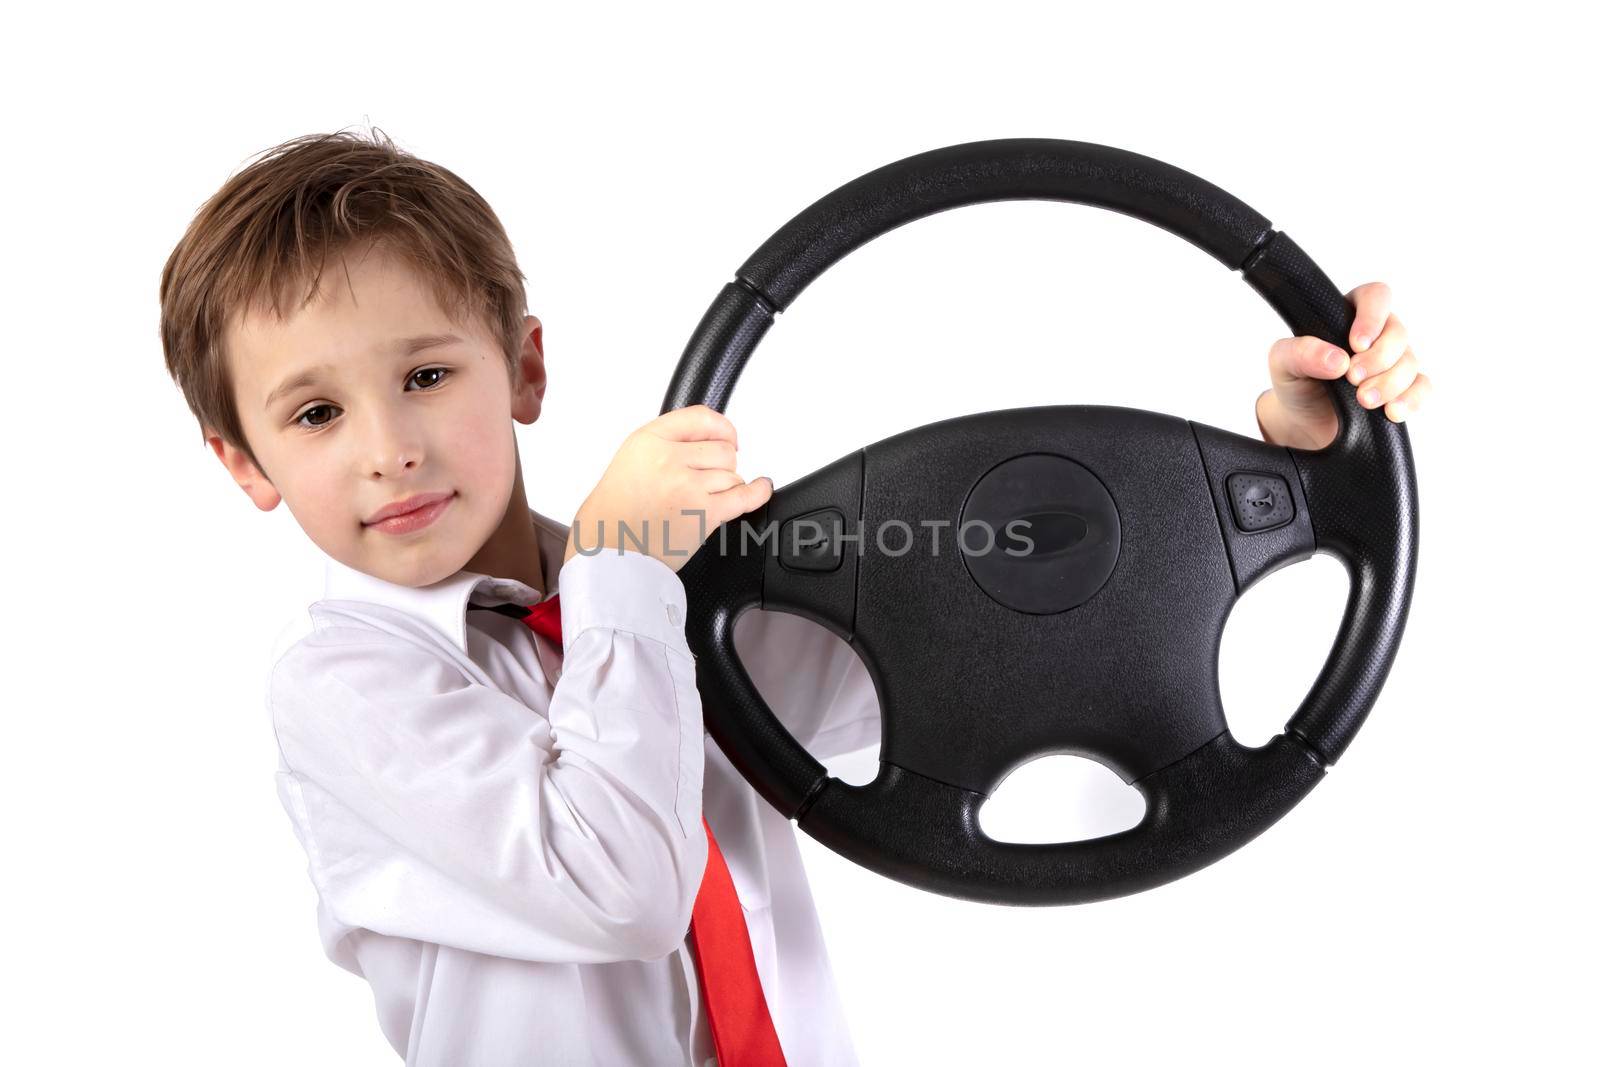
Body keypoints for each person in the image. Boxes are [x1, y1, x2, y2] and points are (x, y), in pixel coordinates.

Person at [157, 128, 1432, 1066]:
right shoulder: (347, 686)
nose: (388, 446)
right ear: (245, 464)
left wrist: (1275, 460)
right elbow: (619, 883)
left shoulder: (663, 602)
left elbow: (959, 617)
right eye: (316, 411)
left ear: (525, 366)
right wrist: (617, 566)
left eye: (427, 374)